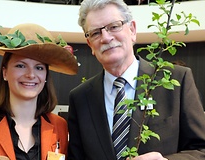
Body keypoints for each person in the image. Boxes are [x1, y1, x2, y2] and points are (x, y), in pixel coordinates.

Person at [67, 0, 205, 160]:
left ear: (132, 30)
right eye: (96, 33)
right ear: (90, 44)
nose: (106, 37)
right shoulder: (80, 98)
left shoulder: (176, 81)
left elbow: (201, 149)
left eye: (113, 26)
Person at [0, 23, 78, 160]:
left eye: (39, 68)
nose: (31, 74)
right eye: (21, 65)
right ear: (5, 72)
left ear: (46, 76)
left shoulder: (59, 126)